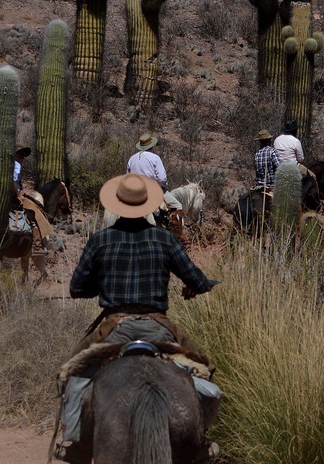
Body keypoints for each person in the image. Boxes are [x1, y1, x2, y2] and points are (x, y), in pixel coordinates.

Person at [54, 173, 220, 464]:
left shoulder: (100, 240)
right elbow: (197, 279)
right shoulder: (165, 239)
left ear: (116, 205)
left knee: (70, 376)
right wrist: (197, 286)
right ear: (148, 206)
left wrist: (105, 285)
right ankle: (199, 448)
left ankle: (77, 447)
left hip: (112, 328)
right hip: (159, 328)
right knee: (205, 370)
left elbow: (77, 288)